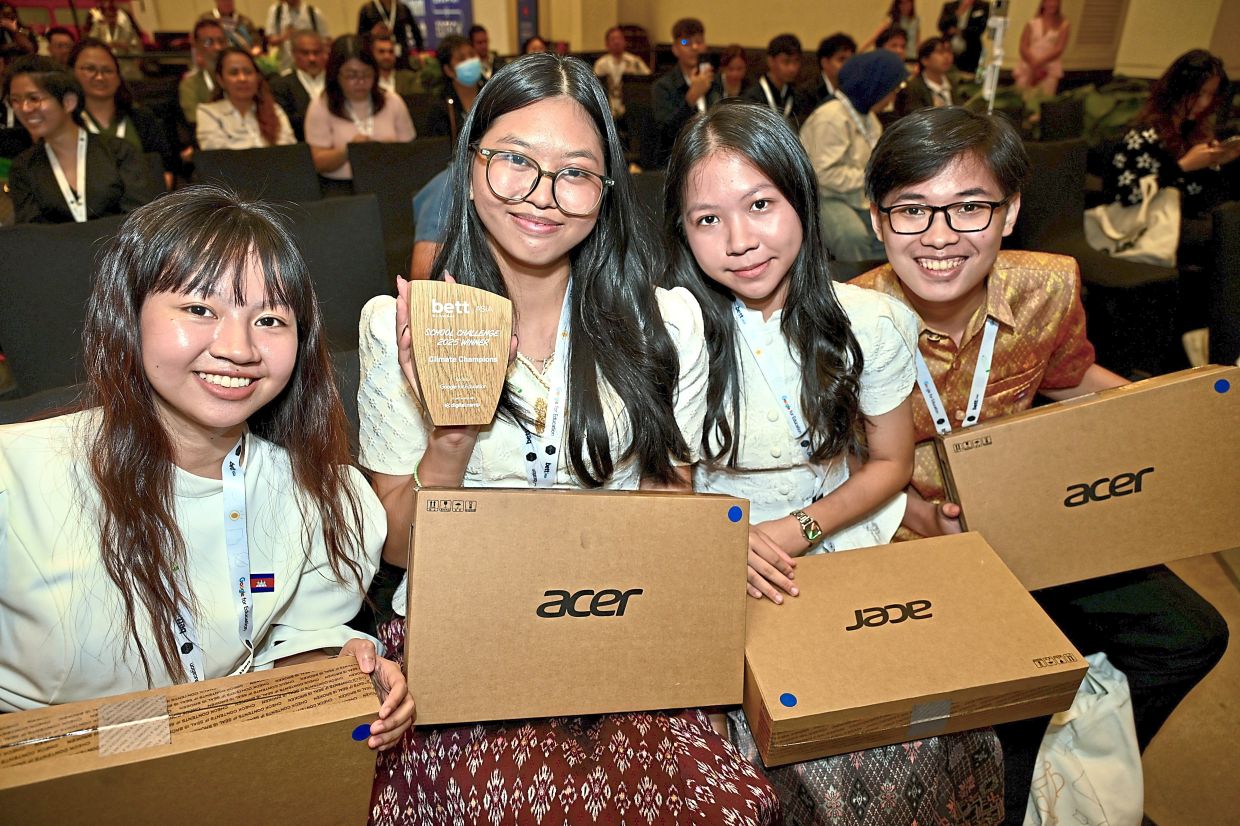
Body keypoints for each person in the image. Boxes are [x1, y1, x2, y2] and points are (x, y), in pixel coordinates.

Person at [358, 53, 781, 825]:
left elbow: (667, 506)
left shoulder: (666, 321)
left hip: (615, 615)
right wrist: (451, 432)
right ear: (471, 160)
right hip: (466, 629)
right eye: (515, 161)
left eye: (576, 173)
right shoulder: (399, 324)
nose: (543, 198)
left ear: (607, 191)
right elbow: (394, 548)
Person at [851, 105, 1229, 824]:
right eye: (911, 211)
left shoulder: (1049, 287)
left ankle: (1074, 765)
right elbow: (821, 463)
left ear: (1010, 210)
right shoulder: (845, 320)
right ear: (877, 220)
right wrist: (913, 513)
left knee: (1189, 635)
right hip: (906, 541)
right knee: (1010, 691)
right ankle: (1013, 784)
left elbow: (1075, 381)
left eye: (969, 207)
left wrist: (1191, 416)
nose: (939, 237)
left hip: (1029, 525)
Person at [661, 95, 1004, 826]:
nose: (739, 240)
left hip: (835, 531)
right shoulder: (668, 326)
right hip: (707, 547)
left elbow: (887, 464)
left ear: (803, 202)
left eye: (760, 204)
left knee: (925, 722)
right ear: (682, 232)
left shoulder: (870, 320)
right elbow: (660, 483)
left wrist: (796, 531)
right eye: (707, 220)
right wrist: (721, 538)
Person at [0, 186, 416, 766]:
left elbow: (289, 638)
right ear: (128, 313)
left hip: (232, 770)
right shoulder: (15, 480)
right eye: (200, 309)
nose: (239, 348)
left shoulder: (319, 494)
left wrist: (338, 677)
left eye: (269, 319)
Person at [1103, 49, 1238, 256]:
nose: (1205, 103)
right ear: (1178, 90)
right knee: (1226, 235)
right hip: (1149, 227)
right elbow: (1127, 198)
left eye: (1210, 95)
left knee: (1228, 225)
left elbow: (1207, 196)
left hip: (1191, 219)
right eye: (1199, 94)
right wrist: (1182, 167)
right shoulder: (1143, 136)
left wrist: (1222, 161)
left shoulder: (1194, 131)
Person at [3, 55, 156, 223]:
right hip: (53, 249)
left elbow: (140, 220)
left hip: (117, 248)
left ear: (69, 102)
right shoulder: (24, 167)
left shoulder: (119, 153)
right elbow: (31, 233)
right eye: (15, 100)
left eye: (34, 98)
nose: (24, 109)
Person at [799, 49, 907, 262]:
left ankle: (880, 281)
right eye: (893, 90)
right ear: (876, 87)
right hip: (823, 197)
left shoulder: (868, 118)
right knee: (853, 236)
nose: (893, 97)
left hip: (855, 195)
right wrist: (869, 177)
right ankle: (852, 286)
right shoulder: (831, 117)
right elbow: (822, 175)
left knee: (893, 226)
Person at [305, 34, 414, 186]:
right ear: (336, 75)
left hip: (390, 180)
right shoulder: (321, 106)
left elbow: (412, 152)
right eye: (351, 75)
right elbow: (317, 162)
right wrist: (349, 151)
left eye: (367, 74)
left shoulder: (392, 101)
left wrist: (391, 149)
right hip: (341, 187)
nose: (361, 82)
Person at [70, 37, 176, 189]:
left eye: (107, 70)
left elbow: (165, 170)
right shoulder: (66, 123)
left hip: (143, 203)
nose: (99, 77)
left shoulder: (142, 118)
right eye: (90, 69)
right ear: (71, 72)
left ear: (119, 78)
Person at [652, 17, 720, 168]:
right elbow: (665, 132)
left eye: (699, 42)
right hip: (677, 161)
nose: (695, 47)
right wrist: (691, 98)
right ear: (675, 49)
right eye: (686, 43)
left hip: (714, 157)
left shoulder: (716, 82)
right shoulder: (663, 86)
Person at [196, 47, 295, 150]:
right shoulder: (209, 113)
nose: (242, 79)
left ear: (257, 77)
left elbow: (288, 152)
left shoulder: (274, 110)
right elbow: (217, 157)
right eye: (234, 73)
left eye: (248, 72)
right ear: (221, 80)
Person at [270, 29, 327, 141]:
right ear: (294, 54)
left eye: (317, 52)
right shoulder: (280, 86)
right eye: (305, 53)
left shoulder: (337, 81)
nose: (312, 58)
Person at [740, 33, 802, 128]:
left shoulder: (796, 96)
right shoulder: (752, 97)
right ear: (770, 61)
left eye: (796, 61)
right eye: (786, 62)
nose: (792, 68)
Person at [424, 33, 478, 141]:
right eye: (461, 59)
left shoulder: (493, 96)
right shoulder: (441, 108)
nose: (470, 61)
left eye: (472, 55)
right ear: (448, 70)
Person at [1013, 0, 1070, 99]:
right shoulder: (1032, 23)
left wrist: (1040, 62)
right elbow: (1023, 46)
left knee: (1043, 99)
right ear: (1043, 3)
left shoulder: (1063, 25)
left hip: (1049, 68)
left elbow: (1059, 48)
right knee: (1022, 97)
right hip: (1028, 65)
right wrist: (1033, 63)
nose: (1052, 4)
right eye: (1049, 1)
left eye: (1055, 1)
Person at [593, 24, 649, 120]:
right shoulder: (601, 64)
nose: (616, 42)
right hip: (608, 106)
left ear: (624, 42)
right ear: (607, 44)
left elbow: (648, 80)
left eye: (619, 38)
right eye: (613, 39)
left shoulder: (634, 61)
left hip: (631, 105)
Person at [179, 19, 227, 126]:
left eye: (221, 41)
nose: (217, 47)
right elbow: (194, 121)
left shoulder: (239, 77)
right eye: (209, 42)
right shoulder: (190, 85)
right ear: (196, 46)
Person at [895, 36, 956, 117]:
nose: (946, 56)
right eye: (940, 52)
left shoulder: (955, 83)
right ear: (924, 60)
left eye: (949, 51)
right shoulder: (913, 87)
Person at [265, 0, 330, 72]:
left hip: (310, 67)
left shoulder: (313, 13)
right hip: (286, 66)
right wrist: (284, 36)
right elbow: (271, 40)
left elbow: (326, 40)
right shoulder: (276, 11)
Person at [357, 0, 422, 68]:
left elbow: (416, 31)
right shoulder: (368, 9)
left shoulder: (402, 8)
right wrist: (371, 33)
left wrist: (420, 52)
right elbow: (359, 37)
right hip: (376, 59)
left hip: (401, 57)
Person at [803, 32, 854, 115]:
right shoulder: (807, 93)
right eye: (841, 59)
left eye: (850, 60)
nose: (848, 65)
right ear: (824, 63)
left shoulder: (853, 91)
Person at [938, 0, 990, 76]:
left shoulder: (982, 6)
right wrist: (957, 13)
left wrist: (960, 32)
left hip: (971, 49)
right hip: (950, 48)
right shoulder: (950, 6)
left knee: (967, 77)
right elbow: (941, 25)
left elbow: (980, 28)